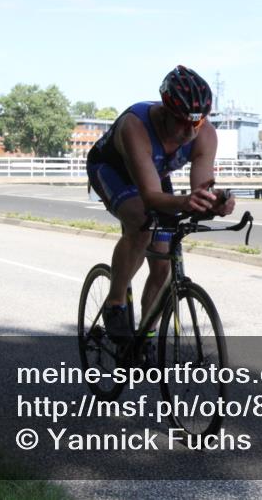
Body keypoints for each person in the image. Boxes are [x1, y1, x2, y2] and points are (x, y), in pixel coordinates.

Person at [86, 65, 235, 343]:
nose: (190, 131)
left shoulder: (205, 134)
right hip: (112, 170)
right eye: (182, 122)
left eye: (197, 122)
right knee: (141, 224)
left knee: (163, 261)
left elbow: (201, 189)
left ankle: (146, 334)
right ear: (165, 111)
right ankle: (115, 302)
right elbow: (151, 197)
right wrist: (184, 201)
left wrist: (215, 203)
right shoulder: (136, 126)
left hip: (153, 175)